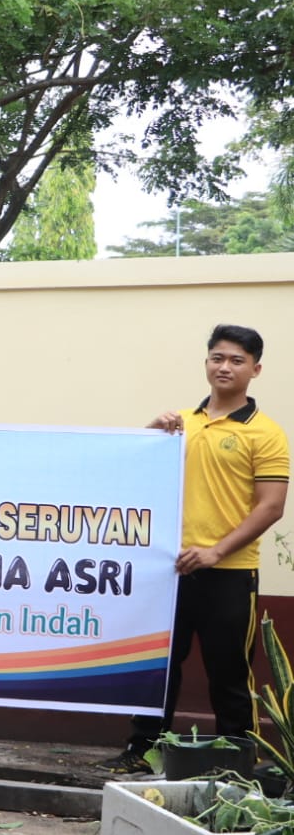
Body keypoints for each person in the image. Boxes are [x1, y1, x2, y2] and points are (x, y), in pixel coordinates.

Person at [99, 324, 289, 773]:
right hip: (169, 571)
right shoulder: (181, 423)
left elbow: (271, 506)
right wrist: (151, 433)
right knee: (158, 667)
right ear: (206, 362)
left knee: (229, 673)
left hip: (229, 572)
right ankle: (144, 750)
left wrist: (215, 551)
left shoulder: (266, 433)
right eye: (217, 357)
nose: (225, 367)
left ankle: (237, 761)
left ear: (256, 370)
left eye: (237, 360)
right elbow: (136, 476)